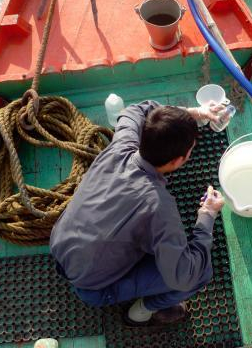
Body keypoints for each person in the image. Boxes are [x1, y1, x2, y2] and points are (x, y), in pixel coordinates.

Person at [50, 100, 225, 326]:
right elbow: (184, 275)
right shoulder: (158, 207)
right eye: (191, 149)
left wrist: (193, 113)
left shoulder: (121, 145)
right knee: (199, 273)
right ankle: (142, 312)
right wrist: (208, 214)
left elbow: (136, 109)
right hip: (92, 286)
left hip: (60, 248)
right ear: (178, 160)